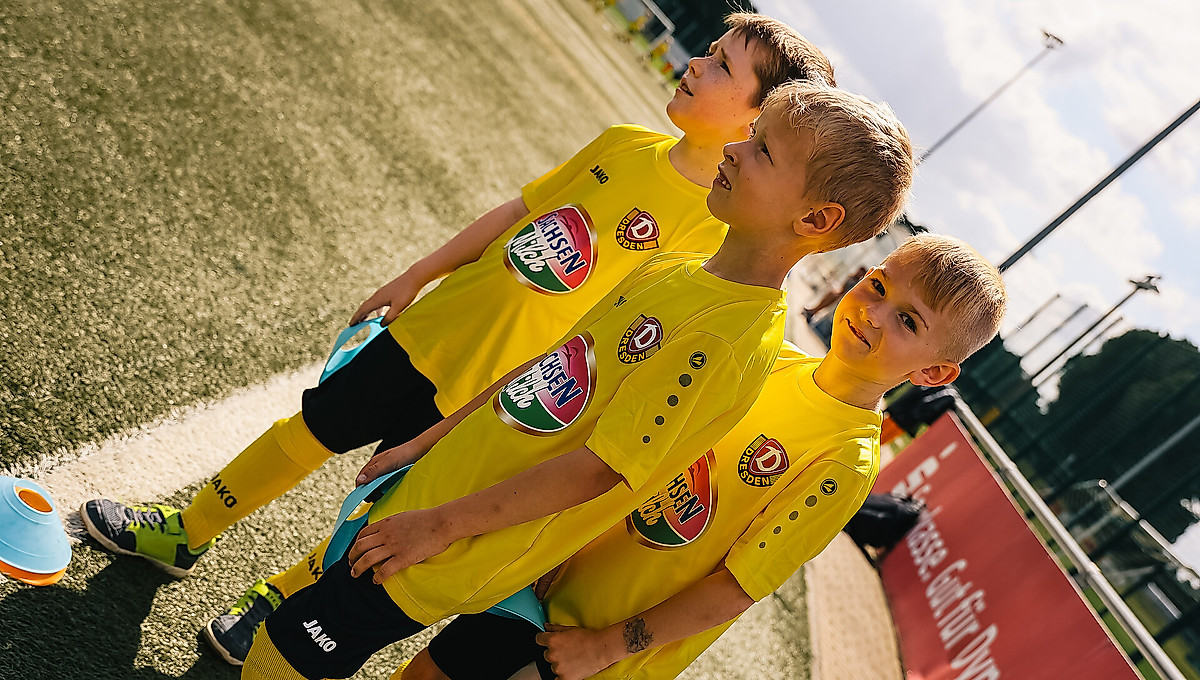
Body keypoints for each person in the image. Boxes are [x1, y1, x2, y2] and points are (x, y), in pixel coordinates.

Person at [80, 13, 835, 663]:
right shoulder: (624, 145)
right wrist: (416, 275)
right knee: (313, 426)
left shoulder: (715, 233)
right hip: (435, 331)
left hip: (487, 404)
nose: (696, 62)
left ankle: (279, 599)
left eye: (723, 66)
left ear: (755, 122)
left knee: (379, 514)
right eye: (708, 49)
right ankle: (187, 531)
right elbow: (520, 214)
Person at [240, 82, 916, 680]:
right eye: (751, 132)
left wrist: (440, 526)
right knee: (308, 636)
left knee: (289, 647)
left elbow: (599, 471)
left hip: (465, 539)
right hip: (440, 490)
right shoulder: (675, 270)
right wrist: (426, 444)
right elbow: (545, 366)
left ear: (815, 220)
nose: (736, 149)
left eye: (763, 150)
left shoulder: (728, 338)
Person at [396, 233, 1007, 680]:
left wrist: (607, 646)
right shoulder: (767, 359)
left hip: (595, 647)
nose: (871, 313)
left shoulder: (845, 462)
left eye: (907, 321)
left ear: (933, 373)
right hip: (542, 570)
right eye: (878, 285)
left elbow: (737, 587)